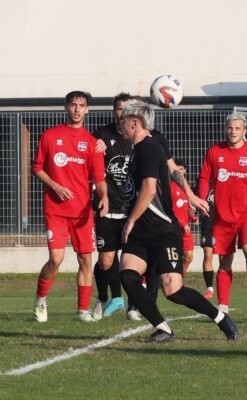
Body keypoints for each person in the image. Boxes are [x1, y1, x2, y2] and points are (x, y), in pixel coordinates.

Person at [118, 99, 238, 342]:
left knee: (173, 290)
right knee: (128, 276)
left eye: (123, 119)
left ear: (134, 122)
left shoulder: (149, 147)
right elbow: (171, 172)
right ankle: (163, 328)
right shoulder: (137, 150)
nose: (119, 123)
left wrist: (129, 221)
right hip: (141, 231)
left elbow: (150, 189)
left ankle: (220, 317)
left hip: (162, 230)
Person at [32, 90, 109, 323]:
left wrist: (104, 196)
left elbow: (99, 178)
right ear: (66, 107)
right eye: (73, 104)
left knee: (86, 260)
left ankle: (82, 310)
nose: (77, 109)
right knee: (56, 259)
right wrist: (55, 186)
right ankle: (41, 299)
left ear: (87, 110)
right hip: (56, 210)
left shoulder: (92, 143)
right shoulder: (49, 136)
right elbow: (37, 168)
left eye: (81, 105)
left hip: (82, 211)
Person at [198, 112, 247, 315]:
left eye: (237, 128)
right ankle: (223, 306)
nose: (233, 132)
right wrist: (201, 201)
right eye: (230, 128)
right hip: (222, 215)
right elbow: (205, 178)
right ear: (226, 129)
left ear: (244, 131)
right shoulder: (215, 152)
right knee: (224, 260)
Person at [91, 92, 133, 320]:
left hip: (131, 209)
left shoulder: (138, 137)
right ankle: (103, 297)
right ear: (114, 111)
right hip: (106, 207)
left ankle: (133, 305)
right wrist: (93, 146)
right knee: (106, 259)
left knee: (131, 260)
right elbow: (89, 158)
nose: (122, 113)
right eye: (119, 108)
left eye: (127, 109)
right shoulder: (102, 134)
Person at [170, 158, 195, 276]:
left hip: (185, 229)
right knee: (171, 260)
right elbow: (169, 211)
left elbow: (184, 207)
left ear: (185, 170)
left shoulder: (187, 188)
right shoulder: (170, 186)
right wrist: (182, 223)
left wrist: (192, 216)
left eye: (181, 169)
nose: (179, 172)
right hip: (174, 228)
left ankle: (179, 280)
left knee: (188, 257)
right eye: (176, 170)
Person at [199, 188, 216, 299]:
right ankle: (209, 288)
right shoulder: (202, 182)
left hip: (222, 222)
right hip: (207, 223)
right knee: (208, 253)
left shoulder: (225, 177)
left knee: (224, 257)